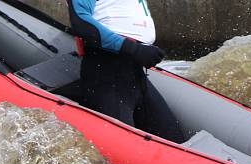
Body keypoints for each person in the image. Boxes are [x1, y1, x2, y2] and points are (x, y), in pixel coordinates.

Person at [67, 0, 184, 142]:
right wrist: (133, 49)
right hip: (106, 71)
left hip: (135, 73)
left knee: (176, 141)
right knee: (120, 147)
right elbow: (82, 23)